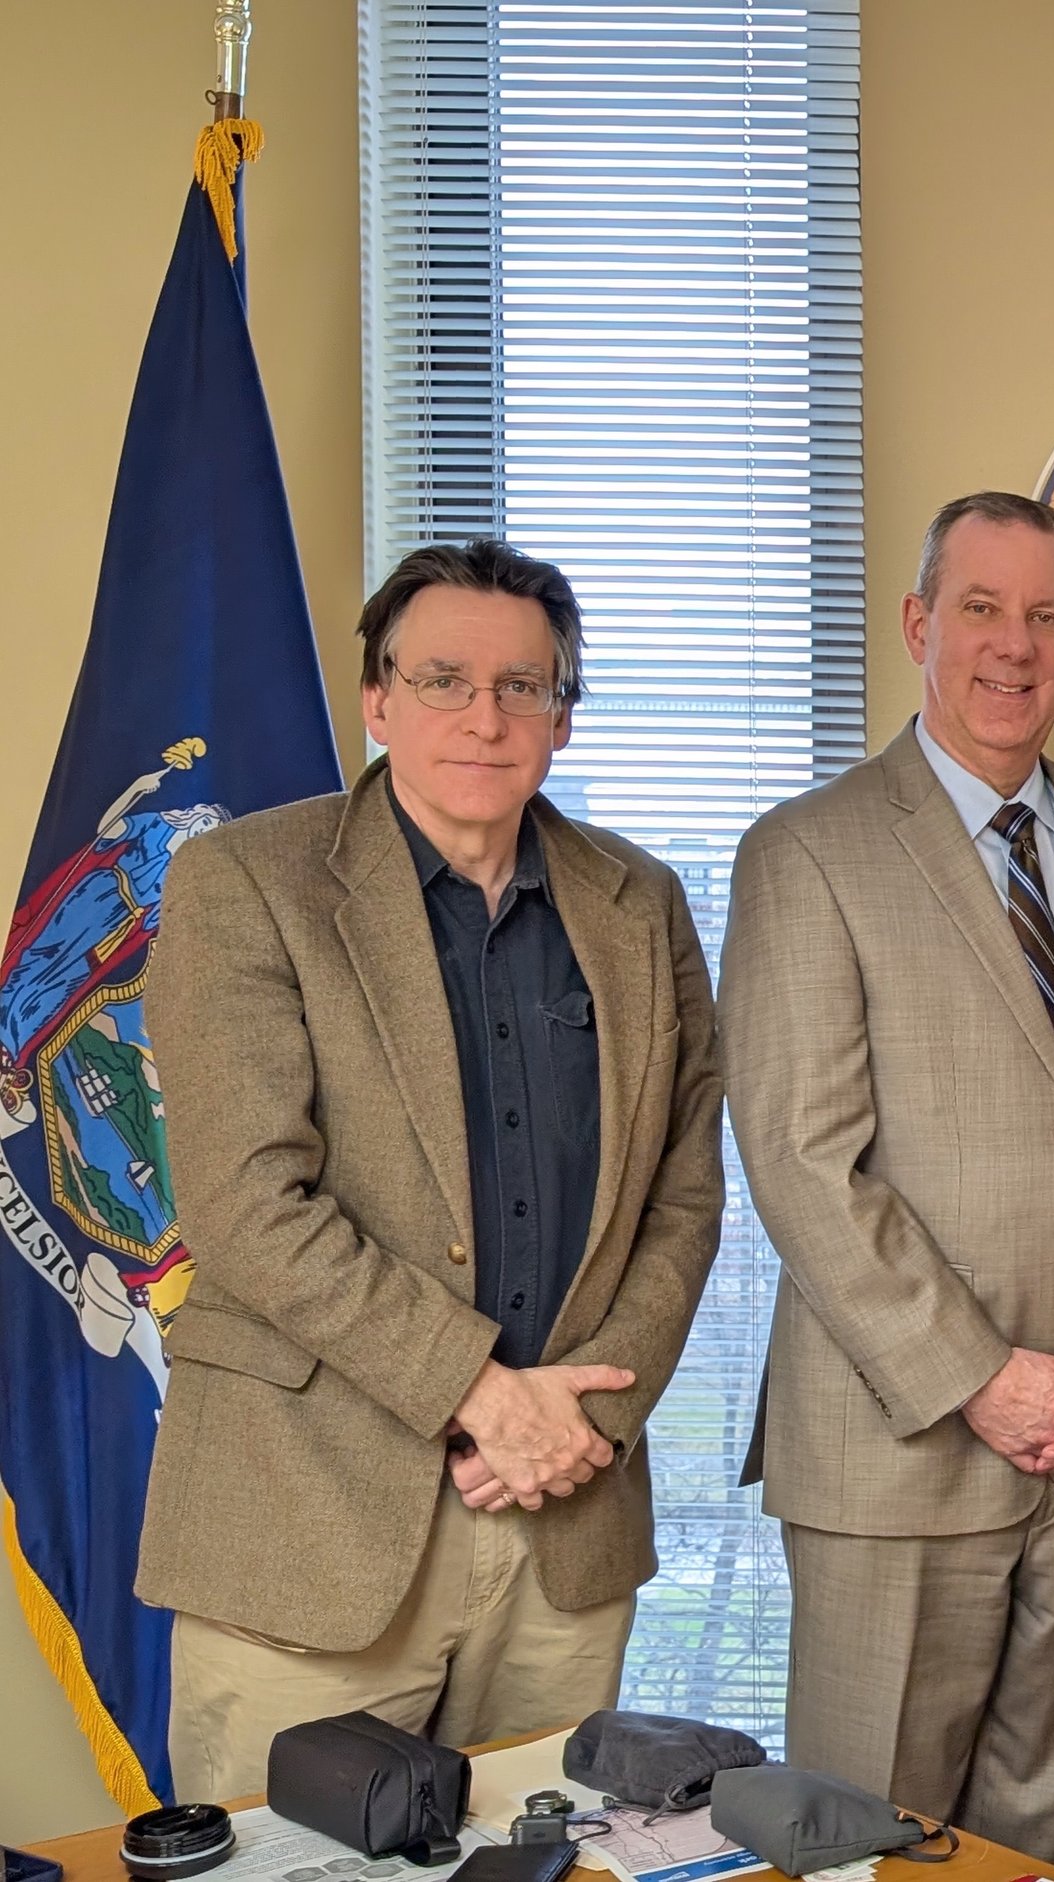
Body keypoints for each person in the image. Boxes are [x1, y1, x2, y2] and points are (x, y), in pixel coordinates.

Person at [137, 540, 726, 1800]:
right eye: (443, 678)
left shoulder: (642, 901)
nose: (484, 715)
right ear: (377, 698)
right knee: (287, 1868)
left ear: (564, 715)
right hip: (310, 1521)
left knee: (549, 1858)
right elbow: (246, 1205)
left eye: (523, 686)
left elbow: (683, 1195)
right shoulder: (245, 882)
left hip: (564, 1518)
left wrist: (578, 1422)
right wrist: (479, 1391)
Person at [719, 490, 1054, 1872]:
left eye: (1046, 616)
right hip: (898, 1455)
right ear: (918, 624)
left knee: (1046, 1844)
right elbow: (801, 1160)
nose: (1015, 645)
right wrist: (976, 1376)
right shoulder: (807, 849)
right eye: (983, 608)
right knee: (861, 1844)